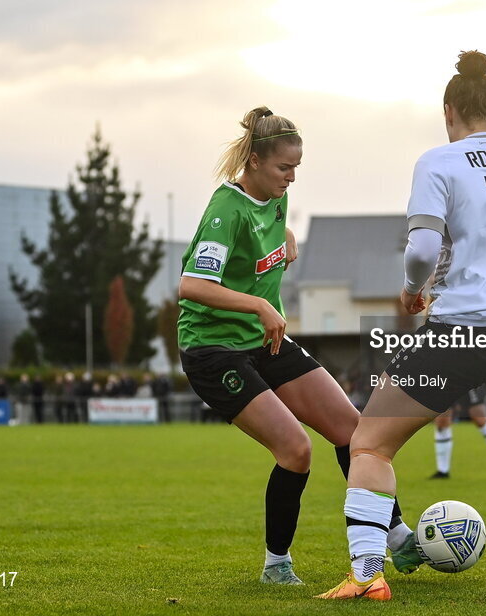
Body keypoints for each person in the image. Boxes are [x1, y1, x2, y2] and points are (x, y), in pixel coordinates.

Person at [318, 51, 486, 601]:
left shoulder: (439, 161)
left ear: (448, 111)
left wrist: (413, 290)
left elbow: (424, 246)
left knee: (369, 445)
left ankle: (365, 575)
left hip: (465, 329)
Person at [177, 105, 413, 586]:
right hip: (212, 348)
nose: (291, 177)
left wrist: (284, 235)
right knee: (295, 449)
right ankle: (276, 565)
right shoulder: (225, 210)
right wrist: (261, 306)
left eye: (296, 169)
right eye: (285, 168)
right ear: (256, 162)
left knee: (356, 430)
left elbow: (271, 224)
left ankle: (398, 538)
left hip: (263, 340)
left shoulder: (274, 197)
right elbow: (191, 286)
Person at [429, 386, 486, 480]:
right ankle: (442, 471)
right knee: (442, 421)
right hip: (446, 377)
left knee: (479, 416)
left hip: (467, 375)